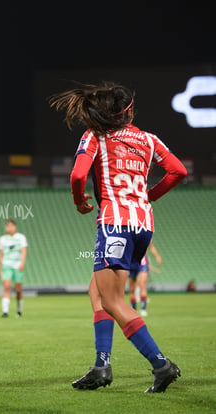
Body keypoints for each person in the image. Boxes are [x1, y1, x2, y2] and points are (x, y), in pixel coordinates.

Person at [50, 81, 187, 393]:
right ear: (129, 110)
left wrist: (78, 200)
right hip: (143, 224)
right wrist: (148, 196)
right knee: (97, 292)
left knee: (111, 300)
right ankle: (101, 366)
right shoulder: (149, 139)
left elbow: (77, 175)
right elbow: (178, 171)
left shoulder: (96, 136)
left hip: (115, 223)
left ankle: (161, 364)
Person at [0, 219, 28, 317]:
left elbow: (23, 251)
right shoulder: (3, 239)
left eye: (11, 226)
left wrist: (22, 264)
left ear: (15, 227)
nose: (9, 228)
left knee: (18, 289)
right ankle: (5, 311)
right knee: (7, 287)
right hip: (7, 265)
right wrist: (0, 269)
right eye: (8, 226)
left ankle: (19, 310)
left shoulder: (20, 237)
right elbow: (1, 254)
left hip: (17, 265)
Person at [128, 242, 162, 316]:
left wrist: (157, 256)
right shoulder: (127, 232)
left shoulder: (144, 231)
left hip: (143, 262)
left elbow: (151, 246)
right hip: (131, 262)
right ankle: (133, 310)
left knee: (142, 284)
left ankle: (143, 309)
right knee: (132, 289)